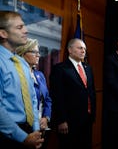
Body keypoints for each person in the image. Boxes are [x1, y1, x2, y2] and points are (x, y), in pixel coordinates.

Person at [0, 11, 44, 149]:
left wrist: (36, 129)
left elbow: (32, 98)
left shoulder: (22, 62)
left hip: (30, 131)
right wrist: (23, 137)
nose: (26, 30)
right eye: (19, 27)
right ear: (3, 34)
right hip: (8, 136)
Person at [49, 38, 96, 149]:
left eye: (84, 48)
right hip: (69, 122)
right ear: (70, 50)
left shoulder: (88, 68)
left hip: (87, 120)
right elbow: (57, 96)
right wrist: (61, 120)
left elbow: (91, 92)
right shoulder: (60, 69)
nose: (83, 51)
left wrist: (93, 115)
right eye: (80, 48)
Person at [16, 38, 52, 149]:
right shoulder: (16, 74)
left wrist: (46, 117)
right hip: (23, 129)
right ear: (23, 53)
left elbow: (47, 99)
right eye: (34, 52)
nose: (38, 55)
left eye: (38, 52)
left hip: (42, 128)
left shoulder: (40, 75)